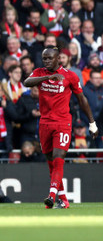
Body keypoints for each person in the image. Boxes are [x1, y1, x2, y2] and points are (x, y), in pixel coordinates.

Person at [23, 46, 98, 209]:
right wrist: (47, 77)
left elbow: (82, 99)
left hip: (63, 123)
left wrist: (92, 123)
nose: (47, 61)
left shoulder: (70, 76)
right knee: (51, 162)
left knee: (58, 158)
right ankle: (63, 199)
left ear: (59, 59)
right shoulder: (39, 72)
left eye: (50, 58)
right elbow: (26, 82)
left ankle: (51, 195)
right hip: (44, 123)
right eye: (45, 59)